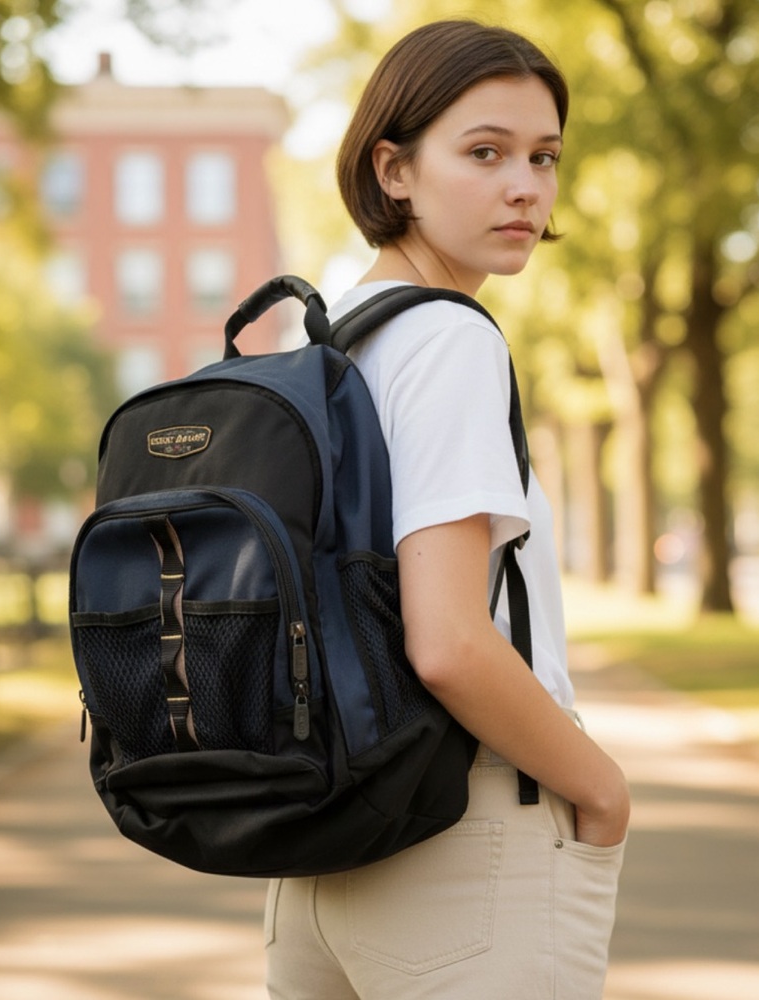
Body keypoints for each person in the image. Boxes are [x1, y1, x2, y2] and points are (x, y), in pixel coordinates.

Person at [264, 19, 630, 1000]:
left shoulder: (328, 342)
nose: (526, 185)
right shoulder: (450, 340)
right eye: (484, 152)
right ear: (393, 169)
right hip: (463, 845)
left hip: (318, 858)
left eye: (544, 156)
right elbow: (448, 640)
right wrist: (600, 790)